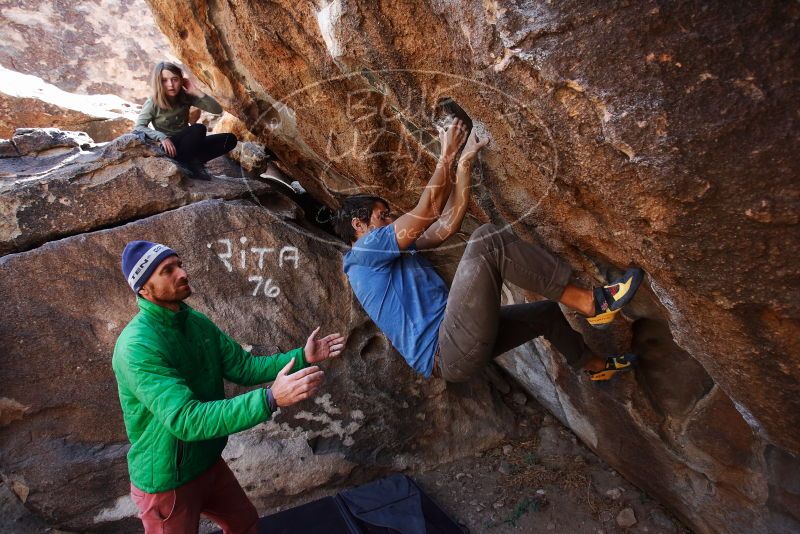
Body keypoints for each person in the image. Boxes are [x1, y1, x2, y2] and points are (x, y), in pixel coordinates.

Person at [334, 119, 643, 383]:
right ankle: (592, 304)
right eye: (382, 216)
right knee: (487, 240)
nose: (390, 221)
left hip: (455, 346)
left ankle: (596, 367)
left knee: (544, 314)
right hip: (446, 348)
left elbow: (445, 226)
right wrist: (447, 154)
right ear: (359, 225)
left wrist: (464, 164)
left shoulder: (387, 257)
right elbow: (427, 210)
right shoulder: (365, 253)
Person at [112, 240, 345, 533]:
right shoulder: (137, 347)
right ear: (144, 289)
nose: (182, 273)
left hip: (208, 462)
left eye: (179, 265)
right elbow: (187, 419)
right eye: (167, 270)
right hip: (167, 480)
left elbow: (243, 367)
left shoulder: (194, 321)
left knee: (245, 524)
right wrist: (271, 398)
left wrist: (302, 356)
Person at [134, 61, 237, 180]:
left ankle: (193, 163)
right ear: (158, 82)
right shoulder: (152, 102)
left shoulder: (185, 97)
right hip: (171, 148)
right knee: (199, 128)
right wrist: (162, 137)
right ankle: (187, 165)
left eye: (175, 79)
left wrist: (196, 91)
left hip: (189, 145)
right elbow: (139, 127)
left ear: (182, 80)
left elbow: (217, 110)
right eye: (164, 80)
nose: (170, 85)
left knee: (230, 139)